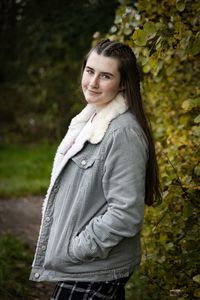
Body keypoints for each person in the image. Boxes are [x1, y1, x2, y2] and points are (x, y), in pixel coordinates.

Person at [30, 39, 161, 299]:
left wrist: (74, 249)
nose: (92, 83)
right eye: (90, 71)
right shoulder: (89, 118)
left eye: (105, 76)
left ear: (123, 83)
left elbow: (125, 213)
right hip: (85, 267)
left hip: (92, 267)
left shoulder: (122, 132)